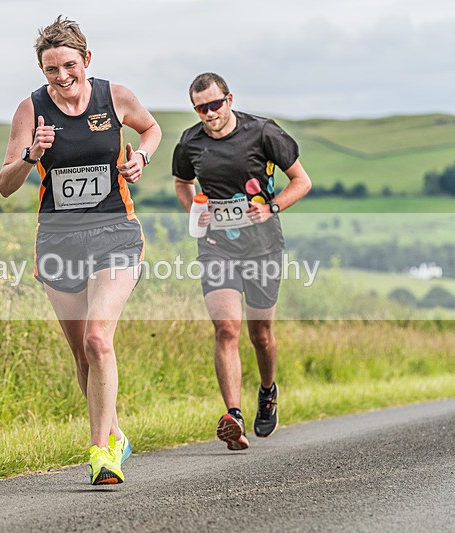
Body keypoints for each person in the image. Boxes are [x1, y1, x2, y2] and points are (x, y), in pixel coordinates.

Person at [0, 16, 161, 484]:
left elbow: (151, 130)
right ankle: (115, 433)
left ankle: (100, 452)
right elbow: (5, 186)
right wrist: (31, 156)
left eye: (70, 65)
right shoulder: (30, 111)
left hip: (115, 233)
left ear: (87, 60)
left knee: (97, 338)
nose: (62, 77)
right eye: (52, 70)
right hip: (58, 242)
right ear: (42, 70)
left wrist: (140, 158)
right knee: (82, 357)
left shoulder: (115, 98)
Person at [172, 72, 311, 450]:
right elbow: (182, 183)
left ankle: (267, 392)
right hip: (216, 244)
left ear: (229, 99)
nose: (209, 113)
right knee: (226, 328)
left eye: (215, 104)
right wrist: (194, 211)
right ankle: (233, 416)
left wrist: (272, 207)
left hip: (263, 245)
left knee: (260, 335)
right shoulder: (190, 143)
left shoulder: (264, 133)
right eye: (201, 108)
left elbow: (302, 180)